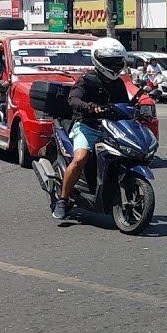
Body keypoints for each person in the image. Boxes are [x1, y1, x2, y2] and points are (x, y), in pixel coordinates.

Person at [53, 38, 132, 220]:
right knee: (80, 158)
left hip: (112, 127)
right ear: (97, 60)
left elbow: (125, 105)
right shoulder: (87, 80)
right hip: (86, 125)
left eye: (116, 61)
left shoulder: (118, 83)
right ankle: (63, 200)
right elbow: (73, 100)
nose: (113, 65)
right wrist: (89, 106)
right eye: (109, 61)